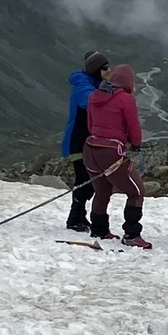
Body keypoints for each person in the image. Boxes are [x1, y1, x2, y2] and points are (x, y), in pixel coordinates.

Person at [83, 61, 150, 247]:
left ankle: (98, 230)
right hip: (111, 153)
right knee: (136, 192)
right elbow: (134, 129)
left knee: (102, 191)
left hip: (90, 150)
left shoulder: (94, 96)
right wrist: (135, 144)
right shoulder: (126, 99)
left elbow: (90, 125)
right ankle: (132, 235)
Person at [62, 51, 111, 234]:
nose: (109, 70)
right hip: (79, 140)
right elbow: (87, 103)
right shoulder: (83, 85)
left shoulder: (93, 84)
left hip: (87, 140)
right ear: (97, 70)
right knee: (84, 179)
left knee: (88, 180)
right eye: (105, 67)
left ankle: (79, 216)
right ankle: (74, 218)